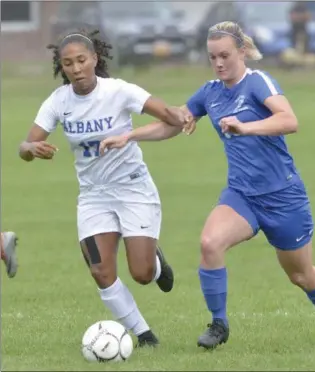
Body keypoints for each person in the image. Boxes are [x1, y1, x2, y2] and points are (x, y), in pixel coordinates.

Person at [100, 21, 315, 350]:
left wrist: (246, 128)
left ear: (242, 52)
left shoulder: (258, 83)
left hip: (283, 196)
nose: (219, 63)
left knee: (301, 275)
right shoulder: (210, 92)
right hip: (242, 195)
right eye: (212, 57)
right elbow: (174, 123)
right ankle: (219, 324)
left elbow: (289, 121)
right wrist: (129, 135)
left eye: (225, 56)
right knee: (209, 243)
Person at [18, 29, 190, 347]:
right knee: (100, 270)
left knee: (140, 273)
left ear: (94, 59)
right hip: (94, 198)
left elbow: (169, 116)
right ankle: (145, 336)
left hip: (133, 190)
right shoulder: (58, 102)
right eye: (68, 63)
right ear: (62, 66)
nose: (76, 68)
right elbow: (25, 145)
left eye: (82, 60)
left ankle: (154, 263)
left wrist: (179, 114)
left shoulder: (119, 91)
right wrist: (31, 149)